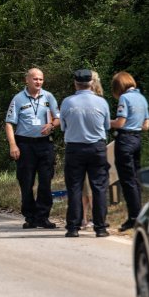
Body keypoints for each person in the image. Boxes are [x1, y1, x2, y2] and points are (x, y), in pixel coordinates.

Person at [5, 68, 61, 229]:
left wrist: (51, 125)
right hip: (25, 145)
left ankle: (43, 216)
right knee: (26, 181)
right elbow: (9, 123)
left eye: (41, 79)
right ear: (27, 80)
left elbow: (57, 119)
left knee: (45, 181)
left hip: (44, 144)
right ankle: (30, 217)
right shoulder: (18, 99)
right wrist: (13, 144)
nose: (38, 82)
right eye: (35, 79)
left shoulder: (49, 97)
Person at [60, 69, 111, 238]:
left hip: (75, 148)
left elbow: (63, 127)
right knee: (99, 187)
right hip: (97, 148)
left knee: (74, 187)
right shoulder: (102, 103)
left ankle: (73, 227)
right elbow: (106, 127)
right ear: (91, 83)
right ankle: (101, 227)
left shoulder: (68, 102)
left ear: (75, 83)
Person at [110, 71, 149, 231]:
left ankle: (134, 217)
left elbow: (120, 122)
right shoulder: (142, 98)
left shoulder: (124, 98)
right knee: (135, 178)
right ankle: (139, 214)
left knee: (127, 180)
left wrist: (105, 121)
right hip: (137, 140)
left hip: (125, 140)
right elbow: (146, 125)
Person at [81, 71, 104, 229]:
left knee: (88, 186)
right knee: (90, 186)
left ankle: (87, 218)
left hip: (82, 144)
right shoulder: (99, 101)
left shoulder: (79, 99)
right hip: (95, 145)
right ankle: (87, 218)